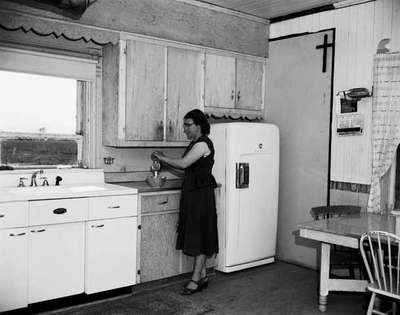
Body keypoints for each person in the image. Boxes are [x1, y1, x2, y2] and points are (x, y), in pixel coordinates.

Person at [152, 109, 218, 295]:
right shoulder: (194, 144)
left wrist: (162, 157)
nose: (185, 129)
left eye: (188, 125)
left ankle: (195, 280)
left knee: (200, 236)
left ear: (199, 125)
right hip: (193, 193)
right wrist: (165, 163)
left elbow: (183, 164)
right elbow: (186, 171)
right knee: (196, 233)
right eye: (184, 125)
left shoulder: (203, 144)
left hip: (201, 195)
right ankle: (203, 277)